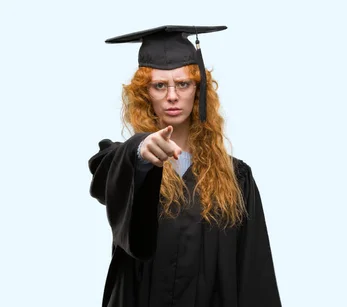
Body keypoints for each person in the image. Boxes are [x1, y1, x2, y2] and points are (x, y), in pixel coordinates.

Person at [88, 25, 281, 307]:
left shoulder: (236, 178)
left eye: (183, 84)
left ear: (198, 90)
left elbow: (254, 274)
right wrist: (141, 150)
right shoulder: (127, 164)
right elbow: (106, 173)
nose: (172, 96)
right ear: (145, 95)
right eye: (159, 85)